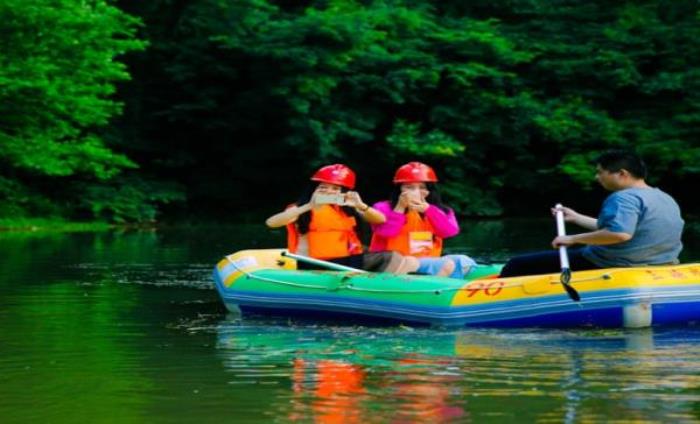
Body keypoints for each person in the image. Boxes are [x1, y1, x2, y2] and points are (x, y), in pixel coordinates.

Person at [499, 150, 684, 277]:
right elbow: (623, 228)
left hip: (612, 263)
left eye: (600, 172)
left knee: (517, 264)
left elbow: (619, 234)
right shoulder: (663, 197)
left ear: (621, 173)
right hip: (657, 263)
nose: (597, 177)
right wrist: (576, 217)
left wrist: (573, 239)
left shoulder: (623, 198)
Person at [265, 164, 419, 273]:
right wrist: (309, 205)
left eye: (335, 189)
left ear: (342, 192)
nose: (328, 192)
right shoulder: (300, 208)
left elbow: (380, 220)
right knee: (390, 256)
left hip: (343, 261)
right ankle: (382, 288)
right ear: (314, 189)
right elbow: (271, 223)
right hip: (316, 263)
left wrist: (360, 205)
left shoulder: (343, 207)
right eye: (323, 187)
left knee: (403, 259)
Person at [369, 161, 476, 278]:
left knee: (465, 261)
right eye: (409, 187)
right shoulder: (382, 207)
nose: (416, 192)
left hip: (427, 261)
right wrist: (400, 207)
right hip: (394, 262)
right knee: (440, 264)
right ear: (399, 189)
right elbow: (386, 233)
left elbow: (449, 232)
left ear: (429, 191)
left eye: (422, 187)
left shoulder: (442, 210)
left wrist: (429, 210)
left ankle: (445, 285)